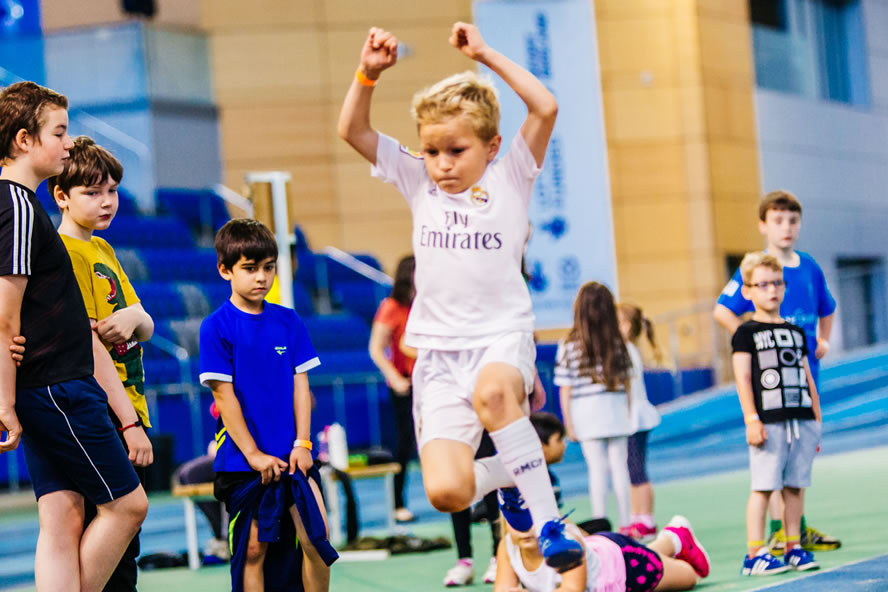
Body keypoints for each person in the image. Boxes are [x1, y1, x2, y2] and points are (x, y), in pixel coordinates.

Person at [338, 22, 583, 570]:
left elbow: (544, 107)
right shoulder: (418, 181)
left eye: (456, 150)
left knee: (496, 397)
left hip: (500, 337)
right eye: (431, 151)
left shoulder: (511, 176)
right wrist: (368, 75)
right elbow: (352, 129)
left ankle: (548, 523)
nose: (442, 162)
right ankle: (517, 482)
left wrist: (484, 53)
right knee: (446, 491)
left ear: (491, 146)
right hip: (438, 358)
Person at [0, 81, 148, 592]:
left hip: (48, 384)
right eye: (59, 132)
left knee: (63, 518)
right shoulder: (17, 206)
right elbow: (4, 313)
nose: (67, 143)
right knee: (129, 506)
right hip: (58, 387)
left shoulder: (26, 207)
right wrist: (4, 400)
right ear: (23, 140)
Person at [199, 219, 337, 592]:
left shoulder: (289, 322)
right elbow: (223, 397)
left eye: (268, 267)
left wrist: (303, 443)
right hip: (243, 462)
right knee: (254, 549)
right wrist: (255, 455)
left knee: (316, 540)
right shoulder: (215, 327)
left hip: (295, 457)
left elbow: (301, 386)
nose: (261, 277)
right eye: (249, 268)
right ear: (225, 270)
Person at [47, 135, 155, 591]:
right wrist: (127, 422)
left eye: (111, 190)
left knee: (125, 544)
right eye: (92, 192)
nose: (107, 201)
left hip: (128, 400)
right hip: (105, 407)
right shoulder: (66, 253)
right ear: (62, 196)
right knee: (111, 529)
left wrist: (134, 316)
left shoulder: (103, 250)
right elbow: (89, 347)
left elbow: (144, 324)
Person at [713, 190, 840, 555]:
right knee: (773, 459)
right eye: (778, 220)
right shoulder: (757, 269)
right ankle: (774, 531)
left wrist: (824, 340)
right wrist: (754, 340)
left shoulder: (809, 266)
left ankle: (795, 530)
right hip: (770, 383)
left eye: (792, 220)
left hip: (803, 374)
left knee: (799, 458)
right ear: (763, 225)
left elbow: (826, 307)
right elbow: (723, 310)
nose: (786, 227)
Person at [732, 252, 822, 576]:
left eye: (777, 283)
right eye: (763, 284)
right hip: (768, 423)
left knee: (795, 486)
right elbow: (743, 378)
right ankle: (755, 554)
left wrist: (816, 418)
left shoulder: (795, 333)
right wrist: (751, 419)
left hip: (801, 420)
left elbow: (806, 375)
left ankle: (793, 546)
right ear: (748, 291)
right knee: (764, 486)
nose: (772, 290)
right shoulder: (745, 333)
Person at [556, 282, 633, 532]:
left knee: (596, 469)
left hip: (586, 412)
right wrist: (629, 413)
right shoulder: (619, 344)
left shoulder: (569, 345)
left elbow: (565, 388)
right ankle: (626, 523)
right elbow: (627, 382)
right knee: (620, 467)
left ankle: (601, 523)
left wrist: (568, 424)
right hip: (615, 408)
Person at [494, 514, 709, 592]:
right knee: (653, 555)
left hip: (623, 565)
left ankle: (674, 538)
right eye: (516, 523)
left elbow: (572, 589)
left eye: (532, 520)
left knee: (689, 576)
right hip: (599, 555)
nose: (524, 529)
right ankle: (673, 538)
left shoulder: (566, 541)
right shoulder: (507, 546)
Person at [368, 254, 417, 523]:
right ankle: (399, 502)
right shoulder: (391, 306)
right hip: (404, 383)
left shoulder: (426, 304)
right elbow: (376, 348)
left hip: (431, 381)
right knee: (404, 444)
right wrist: (395, 378)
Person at [617, 303, 662, 542]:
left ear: (626, 326)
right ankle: (638, 516)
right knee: (632, 469)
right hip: (635, 416)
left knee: (636, 470)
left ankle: (646, 520)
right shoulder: (628, 349)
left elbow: (624, 388)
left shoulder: (625, 350)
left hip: (635, 417)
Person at [443, 431, 501, 587]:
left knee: (492, 483)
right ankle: (464, 560)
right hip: (455, 426)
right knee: (456, 483)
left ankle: (499, 557)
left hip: (485, 420)